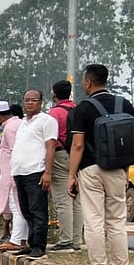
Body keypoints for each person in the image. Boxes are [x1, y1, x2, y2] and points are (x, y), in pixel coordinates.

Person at [68, 64, 134, 265]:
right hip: (117, 168)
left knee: (94, 218)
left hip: (90, 169)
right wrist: (125, 171)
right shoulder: (124, 104)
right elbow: (129, 142)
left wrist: (71, 175)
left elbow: (78, 145)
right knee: (117, 219)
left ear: (88, 82)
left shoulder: (83, 108)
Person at [12, 90, 59, 260]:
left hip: (36, 171)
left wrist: (47, 172)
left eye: (34, 100)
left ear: (41, 103)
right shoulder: (23, 123)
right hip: (20, 172)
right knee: (26, 210)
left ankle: (39, 246)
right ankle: (32, 244)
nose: (30, 103)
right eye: (27, 100)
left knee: (38, 210)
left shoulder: (47, 121)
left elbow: (51, 147)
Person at [0, 102, 27, 253]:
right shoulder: (17, 124)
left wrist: (14, 176)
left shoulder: (10, 128)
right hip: (14, 174)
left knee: (17, 208)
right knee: (20, 208)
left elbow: (15, 152)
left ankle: (16, 240)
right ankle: (22, 238)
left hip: (13, 175)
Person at [48, 80, 84, 252]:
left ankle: (65, 241)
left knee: (64, 200)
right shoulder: (77, 109)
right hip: (79, 156)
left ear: (54, 94)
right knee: (77, 200)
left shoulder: (54, 113)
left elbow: (50, 139)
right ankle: (76, 241)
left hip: (60, 155)